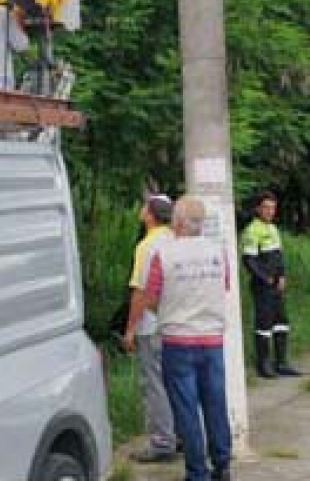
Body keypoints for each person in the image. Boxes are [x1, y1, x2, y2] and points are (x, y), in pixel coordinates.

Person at [125, 196, 232, 481]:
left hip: (178, 341)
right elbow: (225, 286)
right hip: (212, 340)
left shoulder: (165, 254)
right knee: (216, 403)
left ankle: (197, 472)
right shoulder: (219, 252)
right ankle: (222, 464)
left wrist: (170, 307)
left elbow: (150, 297)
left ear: (178, 222)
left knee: (186, 409)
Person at [121, 194, 178, 464]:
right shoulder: (177, 239)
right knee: (175, 382)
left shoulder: (147, 246)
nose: (141, 209)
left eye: (144, 206)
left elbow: (140, 293)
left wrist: (130, 330)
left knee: (153, 384)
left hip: (151, 325)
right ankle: (180, 435)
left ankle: (162, 442)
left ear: (151, 214)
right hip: (176, 324)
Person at [240, 192, 301, 378]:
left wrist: (282, 276)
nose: (270, 211)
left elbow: (278, 256)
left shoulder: (273, 229)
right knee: (264, 323)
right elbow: (249, 260)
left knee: (281, 321)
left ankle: (281, 362)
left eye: (273, 207)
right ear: (258, 208)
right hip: (263, 285)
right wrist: (265, 278)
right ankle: (263, 364)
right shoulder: (252, 230)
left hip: (277, 284)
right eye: (266, 207)